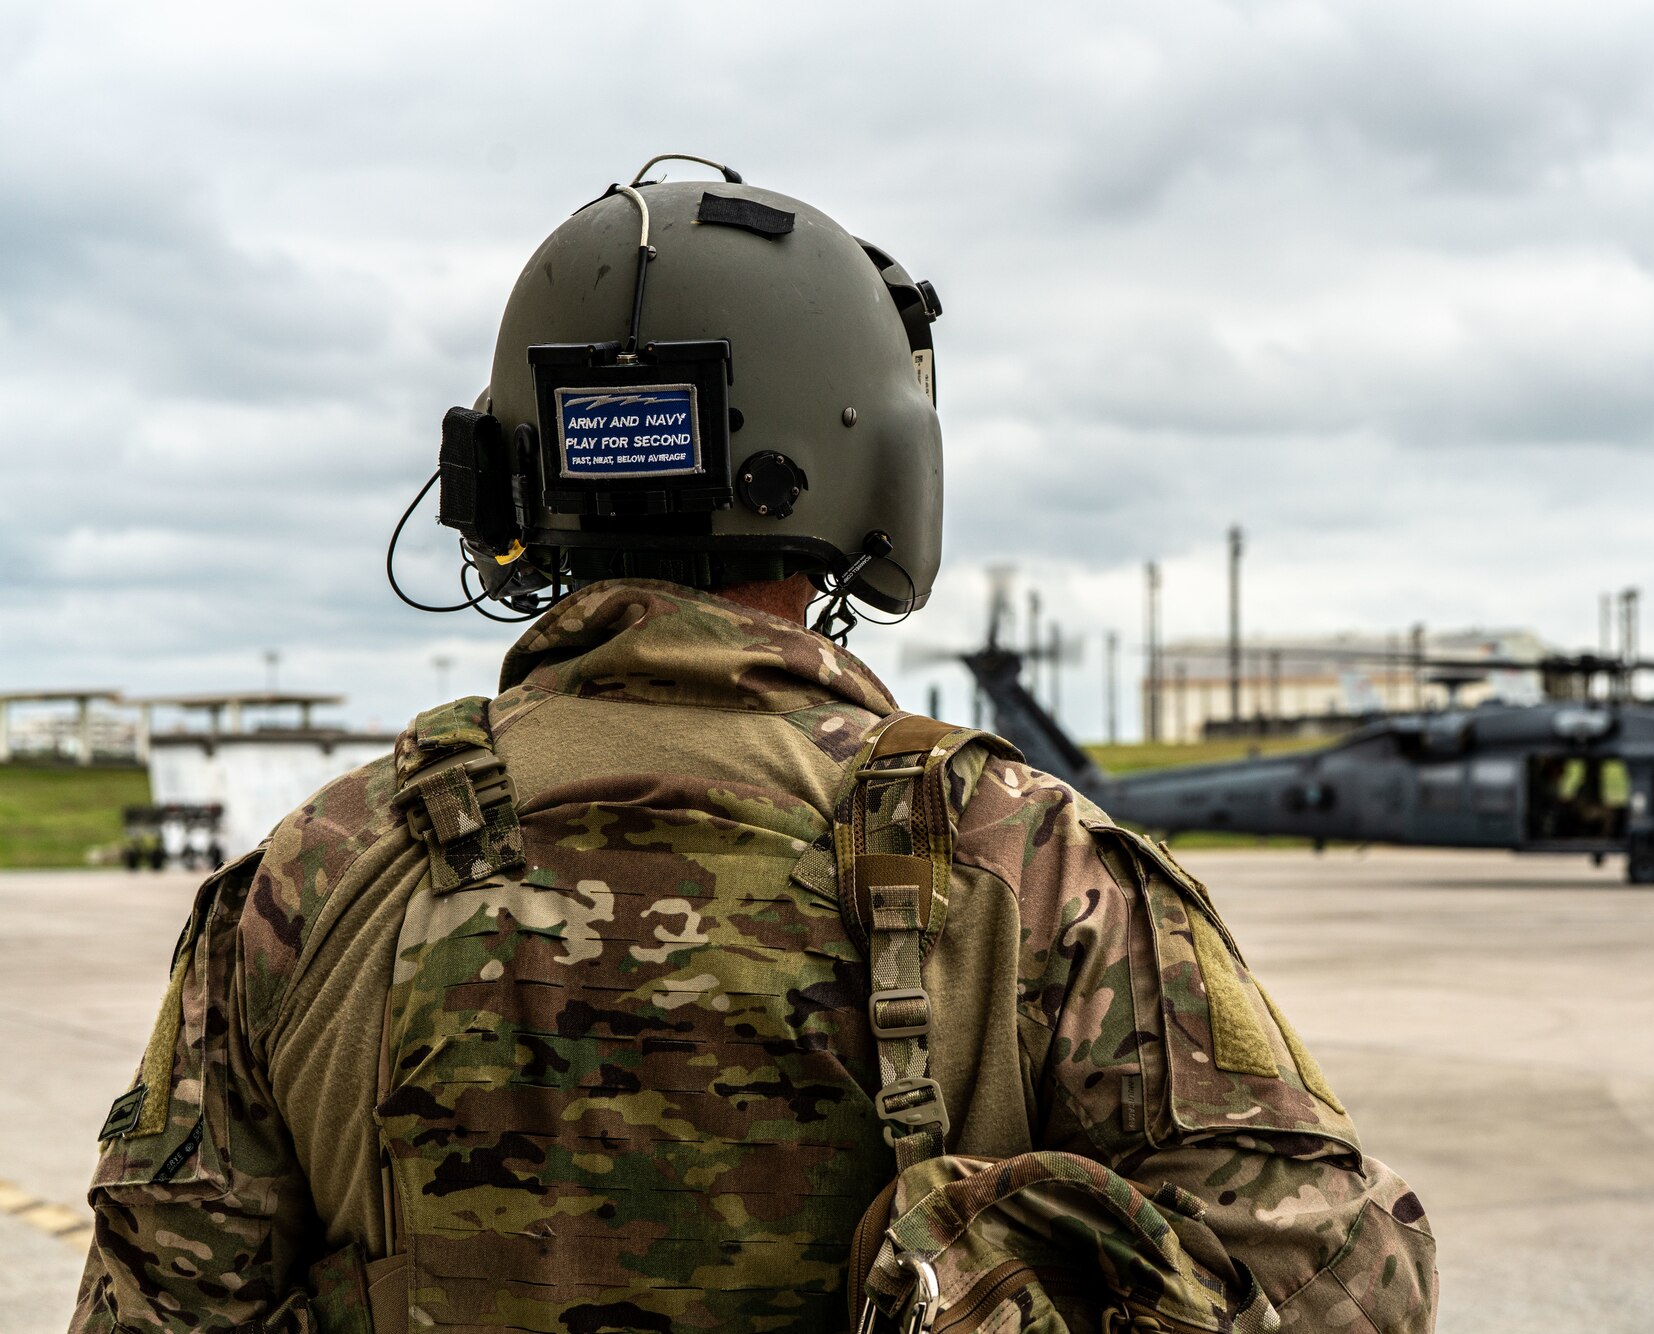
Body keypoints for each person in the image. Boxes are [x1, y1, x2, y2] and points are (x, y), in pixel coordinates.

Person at [72, 157, 1436, 1333]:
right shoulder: (1027, 869)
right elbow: (1340, 1282)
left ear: (509, 481)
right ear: (877, 472)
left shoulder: (309, 891)